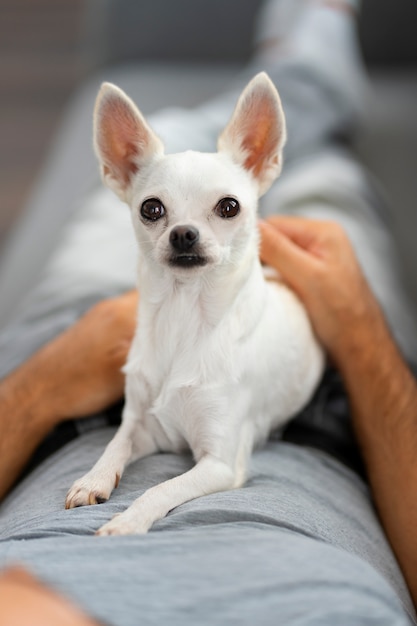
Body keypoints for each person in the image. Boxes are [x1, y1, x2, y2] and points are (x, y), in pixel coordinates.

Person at [0, 1, 417, 624]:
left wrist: (36, 391)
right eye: (155, 213)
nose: (183, 233)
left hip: (73, 348)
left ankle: (294, 70)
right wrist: (359, 336)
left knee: (174, 133)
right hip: (340, 400)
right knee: (327, 172)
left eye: (221, 209)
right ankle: (308, 45)